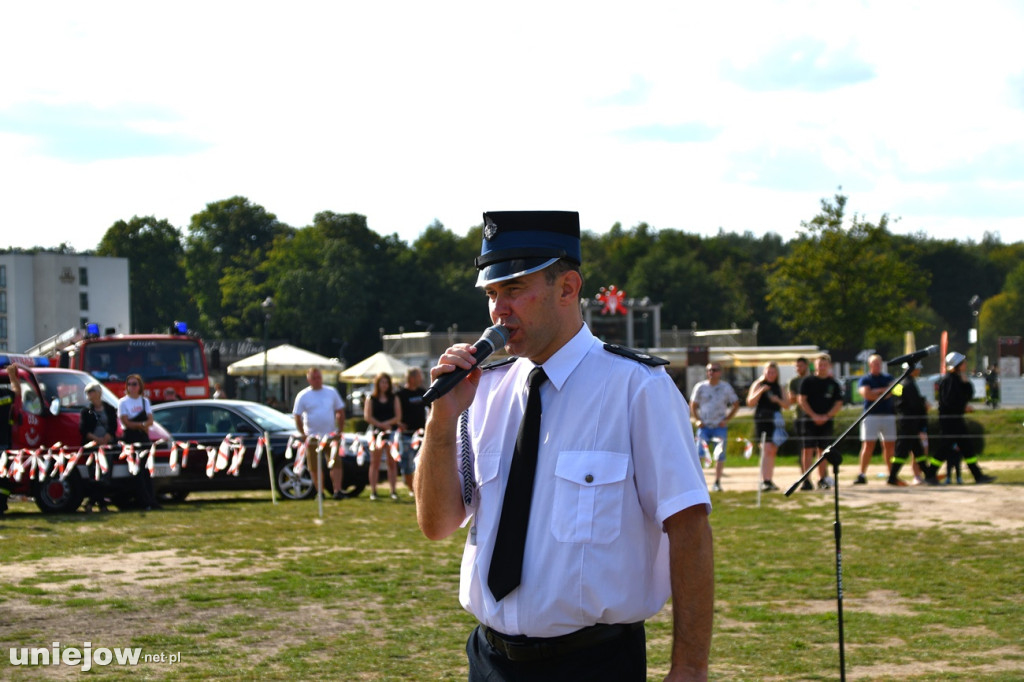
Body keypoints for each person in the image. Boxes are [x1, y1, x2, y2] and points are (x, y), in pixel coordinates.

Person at [414, 210, 713, 682]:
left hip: (592, 663)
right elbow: (437, 524)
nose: (498, 311)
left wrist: (690, 669)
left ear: (567, 288)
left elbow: (689, 527)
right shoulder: (482, 389)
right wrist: (442, 418)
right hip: (490, 661)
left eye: (513, 289)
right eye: (492, 294)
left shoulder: (637, 388)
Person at [938, 352, 995, 485]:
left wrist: (966, 382)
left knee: (967, 448)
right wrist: (962, 408)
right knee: (944, 449)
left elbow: (967, 395)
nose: (966, 364)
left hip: (956, 420)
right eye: (963, 363)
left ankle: (978, 476)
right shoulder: (949, 380)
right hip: (950, 421)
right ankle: (930, 474)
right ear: (957, 365)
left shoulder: (958, 379)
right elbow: (948, 401)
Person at [292, 367, 347, 499]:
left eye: (319, 377)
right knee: (314, 465)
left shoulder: (331, 392)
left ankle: (337, 490)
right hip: (312, 436)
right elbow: (297, 415)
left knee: (335, 462)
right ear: (309, 379)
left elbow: (340, 411)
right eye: (314, 378)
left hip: (330, 435)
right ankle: (320, 492)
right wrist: (302, 432)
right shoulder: (303, 395)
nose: (317, 380)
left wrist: (340, 429)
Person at [690, 362, 740, 492]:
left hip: (719, 426)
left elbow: (735, 404)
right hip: (704, 426)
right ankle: (698, 483)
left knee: (719, 455)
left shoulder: (726, 387)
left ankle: (717, 482)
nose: (712, 372)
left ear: (720, 372)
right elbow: (693, 405)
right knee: (699, 454)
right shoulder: (700, 387)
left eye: (715, 370)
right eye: (709, 370)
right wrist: (697, 419)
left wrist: (727, 419)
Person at [797, 355, 844, 490]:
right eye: (819, 364)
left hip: (826, 422)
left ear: (829, 366)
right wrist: (814, 416)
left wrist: (826, 416)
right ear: (815, 366)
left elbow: (838, 402)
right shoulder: (807, 381)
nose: (822, 367)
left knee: (824, 451)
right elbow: (802, 400)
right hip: (809, 421)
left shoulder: (833, 384)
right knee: (807, 450)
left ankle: (822, 479)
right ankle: (806, 480)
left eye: (824, 364)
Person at [117, 374, 160, 510]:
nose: (132, 387)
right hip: (131, 438)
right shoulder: (123, 402)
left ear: (140, 386)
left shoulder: (145, 401)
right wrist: (142, 425)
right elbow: (126, 422)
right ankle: (141, 500)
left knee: (146, 469)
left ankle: (151, 499)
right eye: (129, 384)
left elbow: (150, 420)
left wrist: (142, 425)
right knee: (136, 471)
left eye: (135, 384)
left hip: (143, 438)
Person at [853, 354, 897, 485]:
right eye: (874, 363)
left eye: (879, 363)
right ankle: (862, 474)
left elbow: (896, 391)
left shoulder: (889, 377)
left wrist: (876, 392)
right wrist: (885, 391)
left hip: (888, 415)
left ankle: (892, 474)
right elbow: (867, 395)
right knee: (868, 445)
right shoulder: (865, 379)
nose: (877, 366)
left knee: (889, 446)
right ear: (870, 365)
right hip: (870, 416)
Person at [890, 363, 934, 486]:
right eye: (918, 369)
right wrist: (923, 404)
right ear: (912, 370)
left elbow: (896, 400)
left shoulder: (899, 383)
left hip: (904, 419)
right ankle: (892, 477)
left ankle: (928, 474)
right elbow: (914, 404)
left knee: (918, 450)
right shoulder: (909, 384)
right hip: (909, 421)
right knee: (902, 450)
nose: (919, 371)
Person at [79, 381, 119, 512]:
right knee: (94, 476)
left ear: (99, 393)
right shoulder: (86, 411)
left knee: (105, 476)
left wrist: (106, 438)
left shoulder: (109, 409)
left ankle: (92, 503)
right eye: (88, 392)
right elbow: (83, 430)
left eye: (92, 391)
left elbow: (113, 427)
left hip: (107, 447)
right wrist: (97, 440)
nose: (90, 394)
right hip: (92, 447)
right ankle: (100, 504)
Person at [747, 361, 785, 492]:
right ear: (764, 372)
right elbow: (750, 402)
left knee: (772, 450)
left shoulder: (779, 387)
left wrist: (777, 400)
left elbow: (787, 404)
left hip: (775, 421)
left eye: (773, 372)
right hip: (761, 420)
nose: (771, 374)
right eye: (768, 372)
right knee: (766, 448)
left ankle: (769, 479)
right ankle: (764, 480)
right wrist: (761, 390)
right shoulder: (758, 384)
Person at [364, 372, 402, 500]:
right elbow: (367, 416)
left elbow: (398, 416)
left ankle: (393, 491)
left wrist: (387, 424)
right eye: (382, 382)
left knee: (391, 462)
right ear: (377, 383)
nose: (384, 385)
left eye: (386, 382)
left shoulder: (394, 398)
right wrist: (380, 424)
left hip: (390, 433)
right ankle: (373, 491)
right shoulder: (371, 398)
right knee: (375, 462)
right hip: (376, 433)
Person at [396, 366, 427, 495]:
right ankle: (412, 489)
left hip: (422, 434)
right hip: (407, 435)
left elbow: (432, 408)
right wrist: (399, 423)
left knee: (422, 463)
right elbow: (395, 412)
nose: (422, 379)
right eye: (420, 376)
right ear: (412, 377)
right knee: (408, 464)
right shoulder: (400, 394)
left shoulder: (423, 391)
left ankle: (421, 488)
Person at [1, 364, 23, 517]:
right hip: (3, 442)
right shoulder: (3, 395)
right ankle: (1, 505)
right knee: (3, 477)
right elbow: (17, 392)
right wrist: (12, 376)